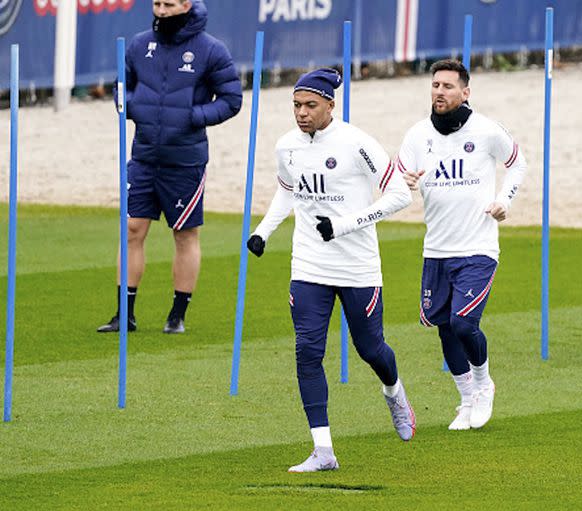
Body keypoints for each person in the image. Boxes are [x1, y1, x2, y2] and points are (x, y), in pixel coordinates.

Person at [248, 68, 416, 472]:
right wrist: (263, 231)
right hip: (309, 264)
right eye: (296, 105)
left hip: (358, 267)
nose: (301, 113)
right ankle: (323, 451)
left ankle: (394, 392)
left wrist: (343, 225)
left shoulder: (357, 143)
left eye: (310, 105)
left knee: (370, 349)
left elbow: (399, 195)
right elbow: (288, 190)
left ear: (330, 105)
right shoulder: (286, 146)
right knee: (307, 350)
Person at [97, 0, 242, 334]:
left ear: (187, 5)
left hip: (186, 160)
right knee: (132, 229)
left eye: (169, 4)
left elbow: (232, 99)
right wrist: (131, 107)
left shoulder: (211, 50)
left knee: (184, 234)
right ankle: (124, 315)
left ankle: (177, 316)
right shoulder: (138, 44)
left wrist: (194, 117)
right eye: (157, 3)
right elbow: (123, 87)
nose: (161, 11)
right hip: (144, 155)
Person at [398, 60, 527, 431]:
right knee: (443, 326)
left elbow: (517, 164)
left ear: (465, 92)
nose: (439, 91)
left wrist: (505, 199)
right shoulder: (417, 135)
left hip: (478, 246)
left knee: (463, 323)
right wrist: (404, 179)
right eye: (435, 85)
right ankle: (465, 398)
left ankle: (484, 384)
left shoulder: (486, 130)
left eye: (448, 86)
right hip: (436, 248)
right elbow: (399, 173)